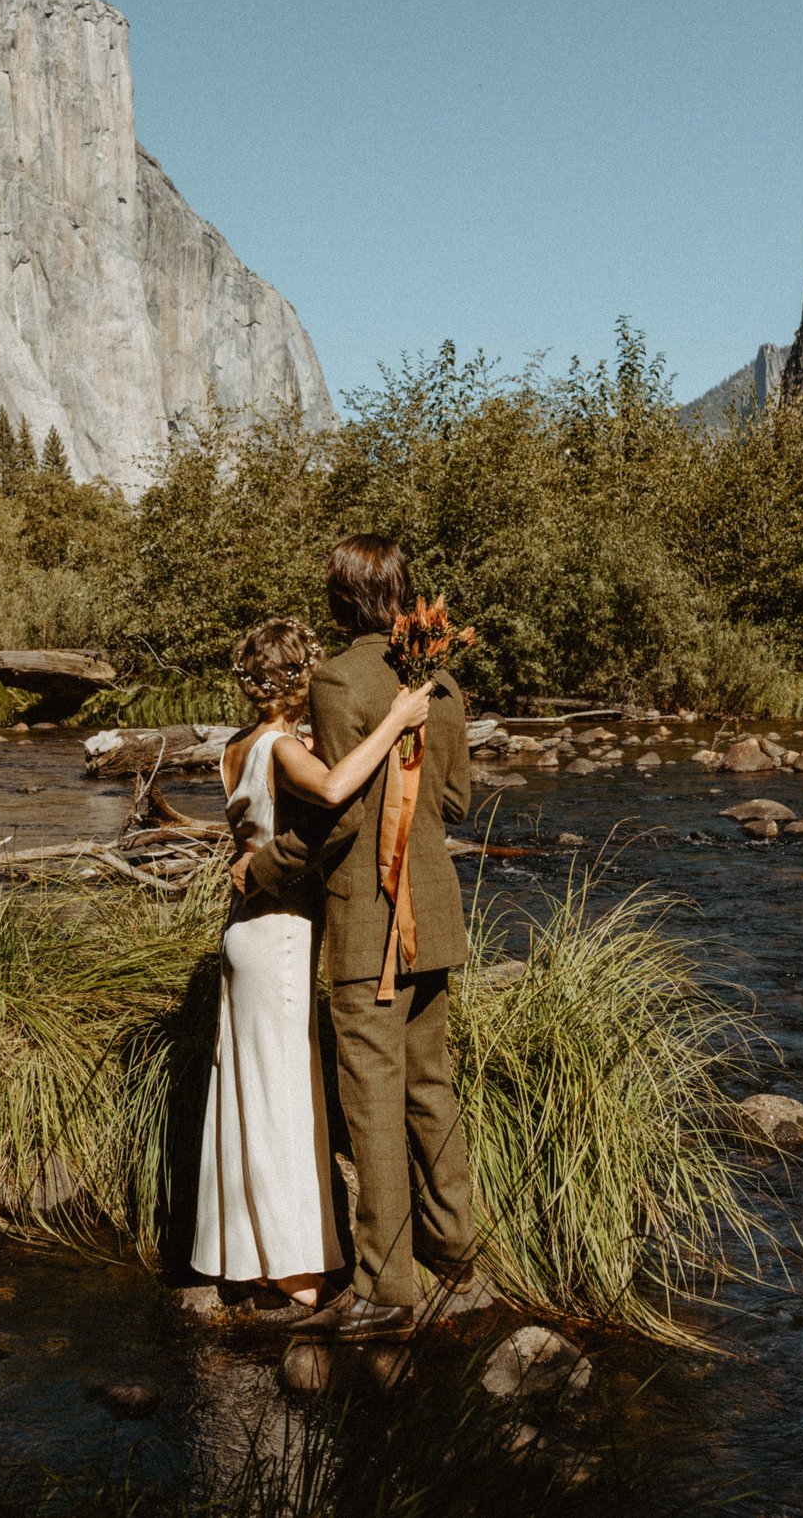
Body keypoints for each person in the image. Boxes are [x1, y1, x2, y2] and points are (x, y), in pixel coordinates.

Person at [239, 534, 477, 1342]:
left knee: (372, 1101)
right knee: (429, 1087)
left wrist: (265, 869)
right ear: (405, 594)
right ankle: (456, 1255)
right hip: (436, 913)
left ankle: (386, 1288)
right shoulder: (440, 680)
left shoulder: (340, 679)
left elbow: (334, 826)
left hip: (369, 921)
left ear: (342, 600)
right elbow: (456, 798)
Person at [192, 617, 435, 1309]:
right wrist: (393, 721)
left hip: (242, 933)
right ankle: (296, 1271)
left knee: (244, 1092)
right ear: (301, 679)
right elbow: (334, 793)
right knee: (286, 1099)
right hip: (280, 935)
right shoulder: (279, 748)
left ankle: (248, 1256)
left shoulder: (237, 746)